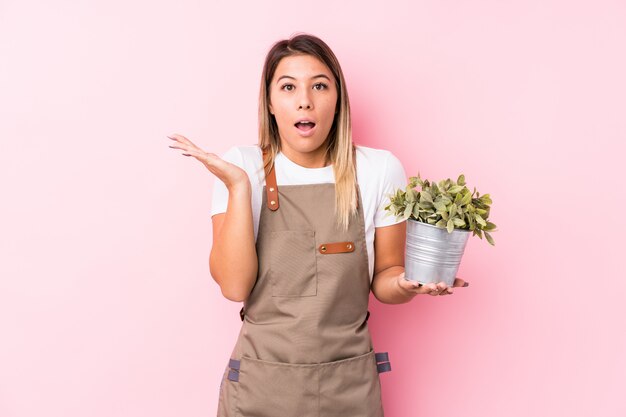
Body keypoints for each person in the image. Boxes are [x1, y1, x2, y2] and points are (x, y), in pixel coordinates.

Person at [167, 33, 468, 417]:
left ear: (338, 99)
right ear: (271, 103)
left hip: (350, 387)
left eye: (320, 86)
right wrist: (239, 187)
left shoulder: (379, 169)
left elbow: (386, 278)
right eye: (288, 86)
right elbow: (234, 285)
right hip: (262, 387)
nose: (304, 99)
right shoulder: (240, 166)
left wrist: (410, 284)